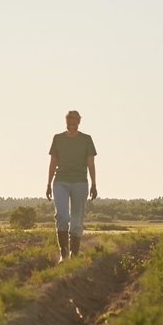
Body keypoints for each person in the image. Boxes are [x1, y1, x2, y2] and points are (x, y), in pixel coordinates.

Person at [45, 110, 98, 261]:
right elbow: (53, 162)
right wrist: (48, 183)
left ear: (79, 123)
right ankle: (64, 254)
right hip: (60, 181)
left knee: (76, 221)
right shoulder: (58, 138)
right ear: (66, 122)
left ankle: (74, 256)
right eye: (69, 123)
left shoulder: (86, 139)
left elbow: (91, 164)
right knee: (61, 215)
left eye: (74, 123)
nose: (72, 125)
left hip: (80, 182)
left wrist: (94, 184)